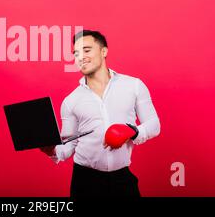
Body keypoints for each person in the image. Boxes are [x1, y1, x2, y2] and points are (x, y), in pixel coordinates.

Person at [40, 30, 160, 197]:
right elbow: (69, 146)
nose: (81, 57)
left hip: (122, 179)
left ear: (104, 51)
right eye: (76, 53)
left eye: (87, 50)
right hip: (85, 182)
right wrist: (51, 150)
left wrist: (133, 131)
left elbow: (154, 124)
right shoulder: (71, 101)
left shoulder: (133, 86)